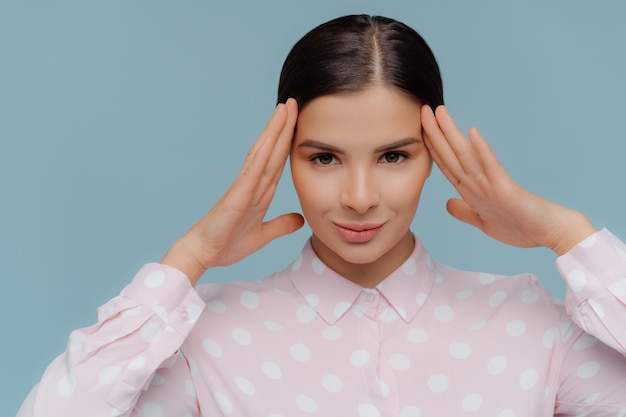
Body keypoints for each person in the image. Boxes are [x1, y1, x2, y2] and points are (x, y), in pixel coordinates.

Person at [17, 14, 626, 417]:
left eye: (393, 155)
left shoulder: (529, 322)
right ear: (284, 157)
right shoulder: (208, 336)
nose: (359, 196)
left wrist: (567, 235)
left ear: (434, 156)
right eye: (325, 157)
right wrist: (188, 260)